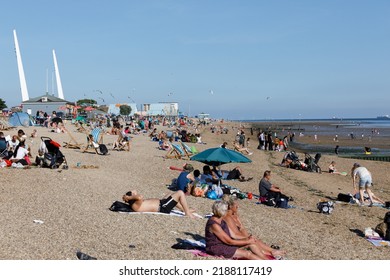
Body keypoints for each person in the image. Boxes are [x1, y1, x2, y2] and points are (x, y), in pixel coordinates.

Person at [222, 195, 286, 259]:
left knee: (255, 240)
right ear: (230, 206)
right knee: (253, 243)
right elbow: (235, 235)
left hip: (240, 238)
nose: (238, 206)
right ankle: (268, 256)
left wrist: (248, 237)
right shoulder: (228, 218)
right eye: (236, 205)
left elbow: (242, 228)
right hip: (235, 241)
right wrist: (247, 238)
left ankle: (272, 251)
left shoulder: (234, 214)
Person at [205, 201, 273, 260]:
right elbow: (229, 241)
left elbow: (234, 235)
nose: (228, 211)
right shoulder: (214, 225)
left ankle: (266, 260)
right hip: (216, 248)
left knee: (251, 244)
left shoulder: (222, 220)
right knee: (247, 254)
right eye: (226, 210)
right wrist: (247, 240)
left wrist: (247, 238)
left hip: (225, 244)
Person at [122, 190, 196, 218]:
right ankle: (187, 213)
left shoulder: (135, 202)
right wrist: (129, 197)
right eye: (134, 193)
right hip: (163, 207)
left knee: (169, 194)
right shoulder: (135, 203)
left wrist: (130, 196)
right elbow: (140, 197)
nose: (136, 193)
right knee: (180, 193)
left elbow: (138, 196)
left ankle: (184, 209)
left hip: (162, 204)